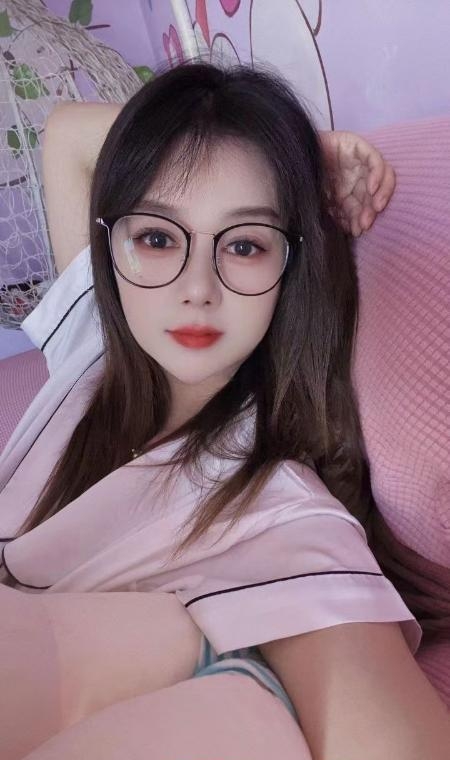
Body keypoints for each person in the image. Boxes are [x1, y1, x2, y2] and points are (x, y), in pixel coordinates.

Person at [0, 62, 448, 760]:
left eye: (244, 244)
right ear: (111, 245)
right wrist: (302, 151)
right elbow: (68, 136)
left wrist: (287, 167)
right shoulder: (94, 338)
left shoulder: (277, 509)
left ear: (290, 267)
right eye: (157, 237)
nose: (196, 289)